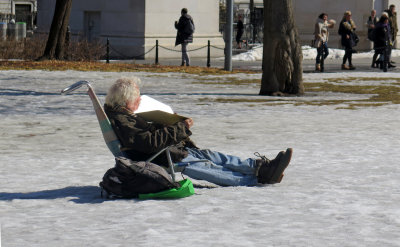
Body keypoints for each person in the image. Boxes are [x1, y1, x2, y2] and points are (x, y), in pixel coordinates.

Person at [103, 77, 293, 187]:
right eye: (136, 97)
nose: (139, 101)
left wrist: (171, 122)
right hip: (160, 156)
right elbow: (147, 143)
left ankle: (261, 167)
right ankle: (256, 178)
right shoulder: (122, 120)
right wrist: (180, 128)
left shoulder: (125, 115)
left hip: (168, 149)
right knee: (206, 166)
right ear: (126, 99)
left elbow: (147, 138)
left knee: (211, 156)